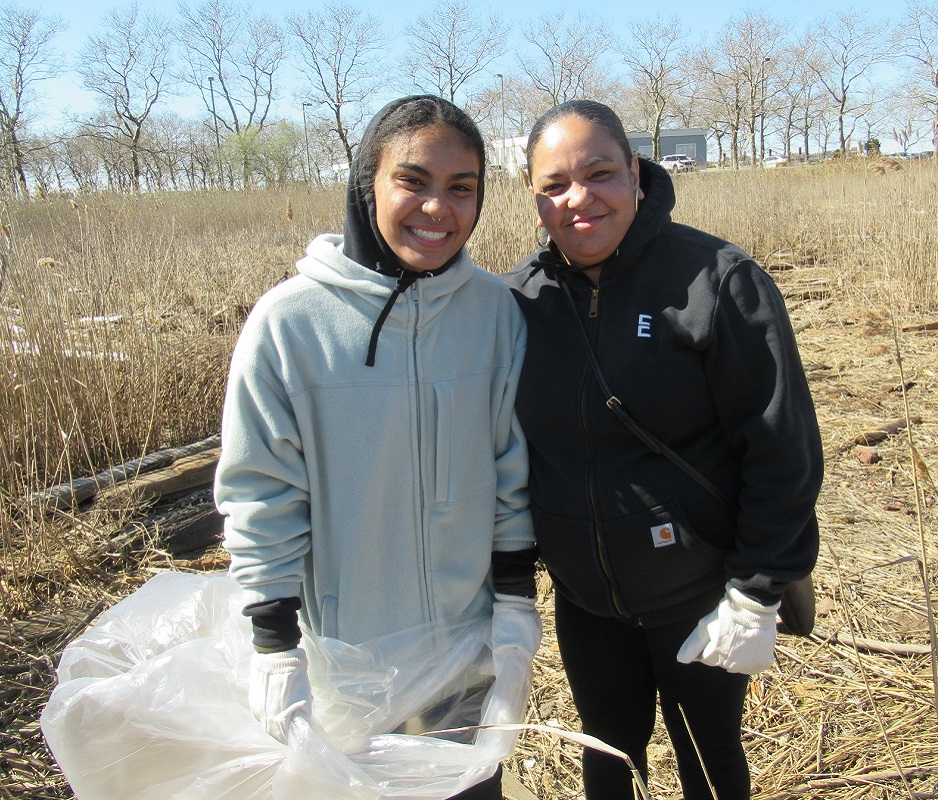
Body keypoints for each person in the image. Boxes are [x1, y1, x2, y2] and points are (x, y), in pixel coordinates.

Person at [214, 95, 540, 800]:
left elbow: (512, 469)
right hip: (345, 668)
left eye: (462, 188)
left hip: (466, 650)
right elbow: (261, 493)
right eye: (413, 181)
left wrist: (515, 606)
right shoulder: (289, 324)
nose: (438, 208)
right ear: (368, 184)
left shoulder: (495, 314)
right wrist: (274, 645)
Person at [501, 100, 822, 800]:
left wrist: (756, 595)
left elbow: (783, 452)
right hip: (587, 607)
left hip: (701, 600)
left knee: (710, 763)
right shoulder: (519, 304)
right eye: (554, 185)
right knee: (608, 761)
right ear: (534, 201)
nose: (578, 199)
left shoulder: (716, 281)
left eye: (600, 174)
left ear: (637, 176)